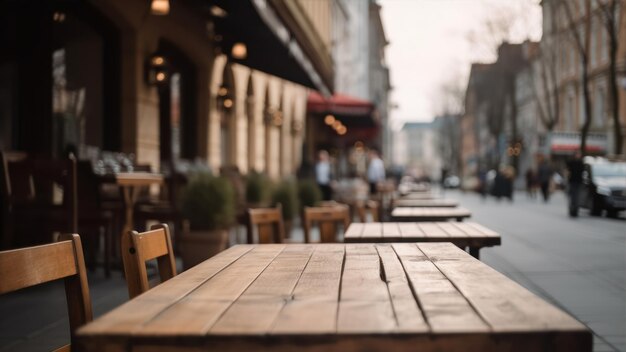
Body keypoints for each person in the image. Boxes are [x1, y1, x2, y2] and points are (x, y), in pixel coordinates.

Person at [566, 151, 584, 217]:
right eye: (577, 154)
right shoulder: (571, 162)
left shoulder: (581, 163)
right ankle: (572, 209)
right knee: (572, 196)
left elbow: (583, 172)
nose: (578, 156)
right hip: (572, 181)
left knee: (577, 197)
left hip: (578, 182)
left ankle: (576, 210)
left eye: (579, 154)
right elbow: (567, 171)